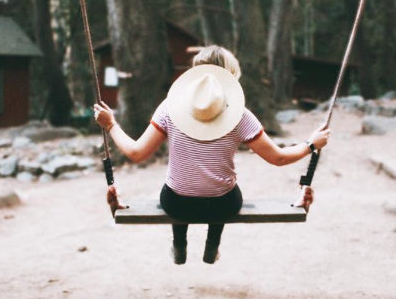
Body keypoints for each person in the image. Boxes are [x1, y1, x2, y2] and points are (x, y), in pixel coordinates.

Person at [94, 46, 330, 265]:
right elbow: (278, 158)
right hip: (223, 207)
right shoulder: (241, 116)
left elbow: (136, 153)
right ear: (230, 79)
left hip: (177, 206)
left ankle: (179, 244)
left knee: (177, 187)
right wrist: (311, 144)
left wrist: (111, 125)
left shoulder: (170, 108)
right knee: (224, 189)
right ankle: (212, 245)